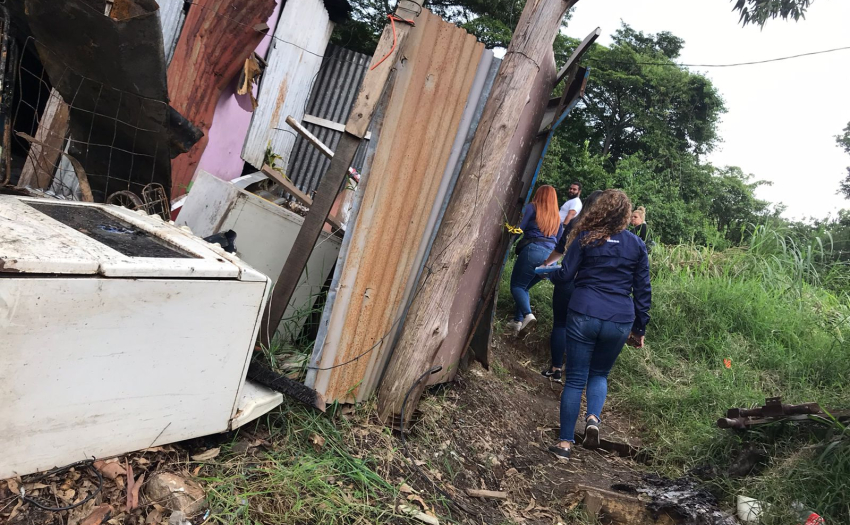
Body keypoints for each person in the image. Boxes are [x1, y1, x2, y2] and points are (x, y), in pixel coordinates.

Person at [546, 190, 651, 460]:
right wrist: (639, 329)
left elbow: (566, 275)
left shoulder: (585, 238)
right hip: (619, 318)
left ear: (599, 210)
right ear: (627, 216)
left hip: (584, 312)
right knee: (599, 374)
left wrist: (550, 275)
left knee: (575, 379)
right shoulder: (637, 246)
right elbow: (642, 290)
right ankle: (593, 418)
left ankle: (565, 446)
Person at [539, 190, 603, 383]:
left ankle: (556, 368)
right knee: (583, 330)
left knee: (560, 324)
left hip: (568, 280)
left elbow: (560, 249)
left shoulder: (577, 224)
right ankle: (577, 373)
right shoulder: (608, 232)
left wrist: (545, 265)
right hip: (592, 287)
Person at [507, 185, 564, 334]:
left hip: (534, 250)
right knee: (524, 288)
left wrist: (507, 245)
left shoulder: (533, 207)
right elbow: (559, 242)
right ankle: (517, 322)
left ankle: (527, 314)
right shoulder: (557, 218)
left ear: (539, 195)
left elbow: (520, 228)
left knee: (517, 286)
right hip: (551, 259)